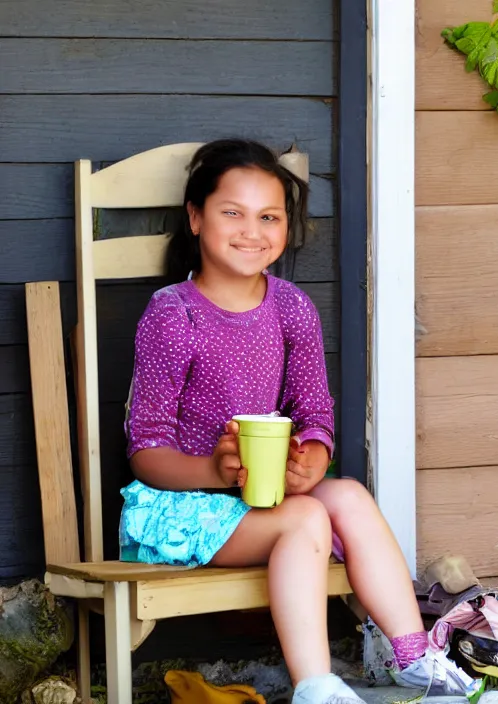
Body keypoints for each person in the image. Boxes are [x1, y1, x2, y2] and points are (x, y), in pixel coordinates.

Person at [119, 139, 430, 704]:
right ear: (195, 217)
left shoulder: (291, 308)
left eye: (269, 216)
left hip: (257, 501)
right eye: (231, 213)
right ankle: (316, 687)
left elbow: (314, 412)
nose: (251, 231)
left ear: (287, 227)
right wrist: (217, 471)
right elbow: (145, 450)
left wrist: (313, 456)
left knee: (350, 496)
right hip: (182, 508)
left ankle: (416, 660)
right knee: (307, 519)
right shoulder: (174, 314)